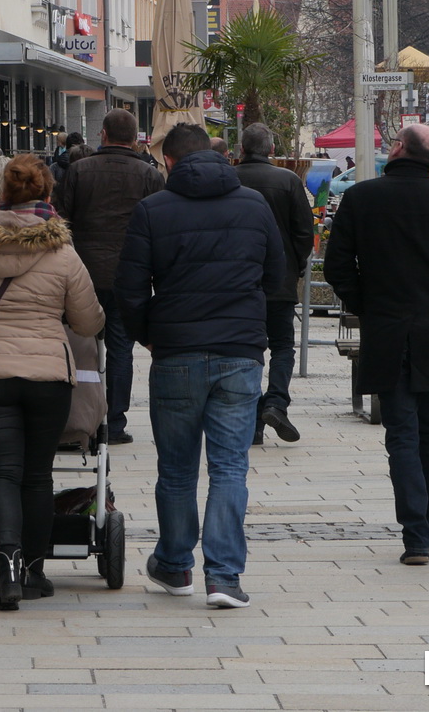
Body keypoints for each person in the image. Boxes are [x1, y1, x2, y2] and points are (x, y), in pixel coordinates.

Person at [114, 123, 285, 609]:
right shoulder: (253, 204)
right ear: (219, 156)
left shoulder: (152, 210)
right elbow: (276, 275)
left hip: (176, 354)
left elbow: (129, 287)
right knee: (230, 467)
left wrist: (151, 332)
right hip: (239, 353)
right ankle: (224, 577)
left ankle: (174, 564)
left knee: (176, 468)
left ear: (167, 161)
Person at [0, 155, 105, 609]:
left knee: (1, 474)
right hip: (47, 379)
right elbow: (87, 322)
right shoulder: (62, 251)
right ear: (46, 194)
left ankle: (6, 567)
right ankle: (33, 570)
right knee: (36, 476)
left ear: (3, 194)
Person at [324, 124, 429, 566]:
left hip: (386, 327)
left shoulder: (361, 197)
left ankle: (416, 534)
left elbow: (337, 266)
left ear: (397, 149)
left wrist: (367, 303)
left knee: (402, 434)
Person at [56, 107, 164, 444]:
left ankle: (77, 419)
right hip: (129, 277)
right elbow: (157, 230)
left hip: (80, 275)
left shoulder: (78, 171)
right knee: (121, 350)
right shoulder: (149, 176)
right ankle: (114, 424)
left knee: (76, 347)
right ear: (135, 139)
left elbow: (60, 222)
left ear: (102, 134)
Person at [232, 123, 316, 445]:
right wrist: (293, 266)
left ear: (242, 149)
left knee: (249, 350)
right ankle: (277, 401)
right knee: (282, 345)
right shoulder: (289, 180)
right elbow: (304, 234)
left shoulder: (231, 179)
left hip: (240, 282)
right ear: (270, 150)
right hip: (280, 281)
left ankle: (253, 422)